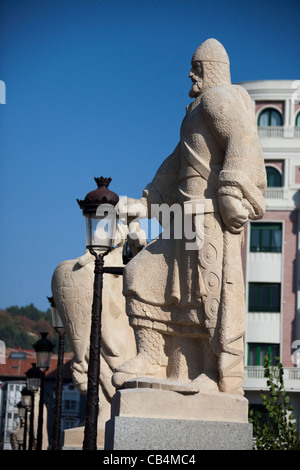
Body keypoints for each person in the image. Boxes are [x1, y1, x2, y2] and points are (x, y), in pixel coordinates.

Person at [113, 38, 267, 395]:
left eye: (196, 67)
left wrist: (230, 192)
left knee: (209, 296)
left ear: (209, 69)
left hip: (209, 217)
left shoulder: (219, 100)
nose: (190, 74)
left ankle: (216, 372)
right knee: (141, 274)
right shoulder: (196, 111)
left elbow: (244, 142)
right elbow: (174, 166)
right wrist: (146, 201)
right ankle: (153, 358)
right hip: (184, 217)